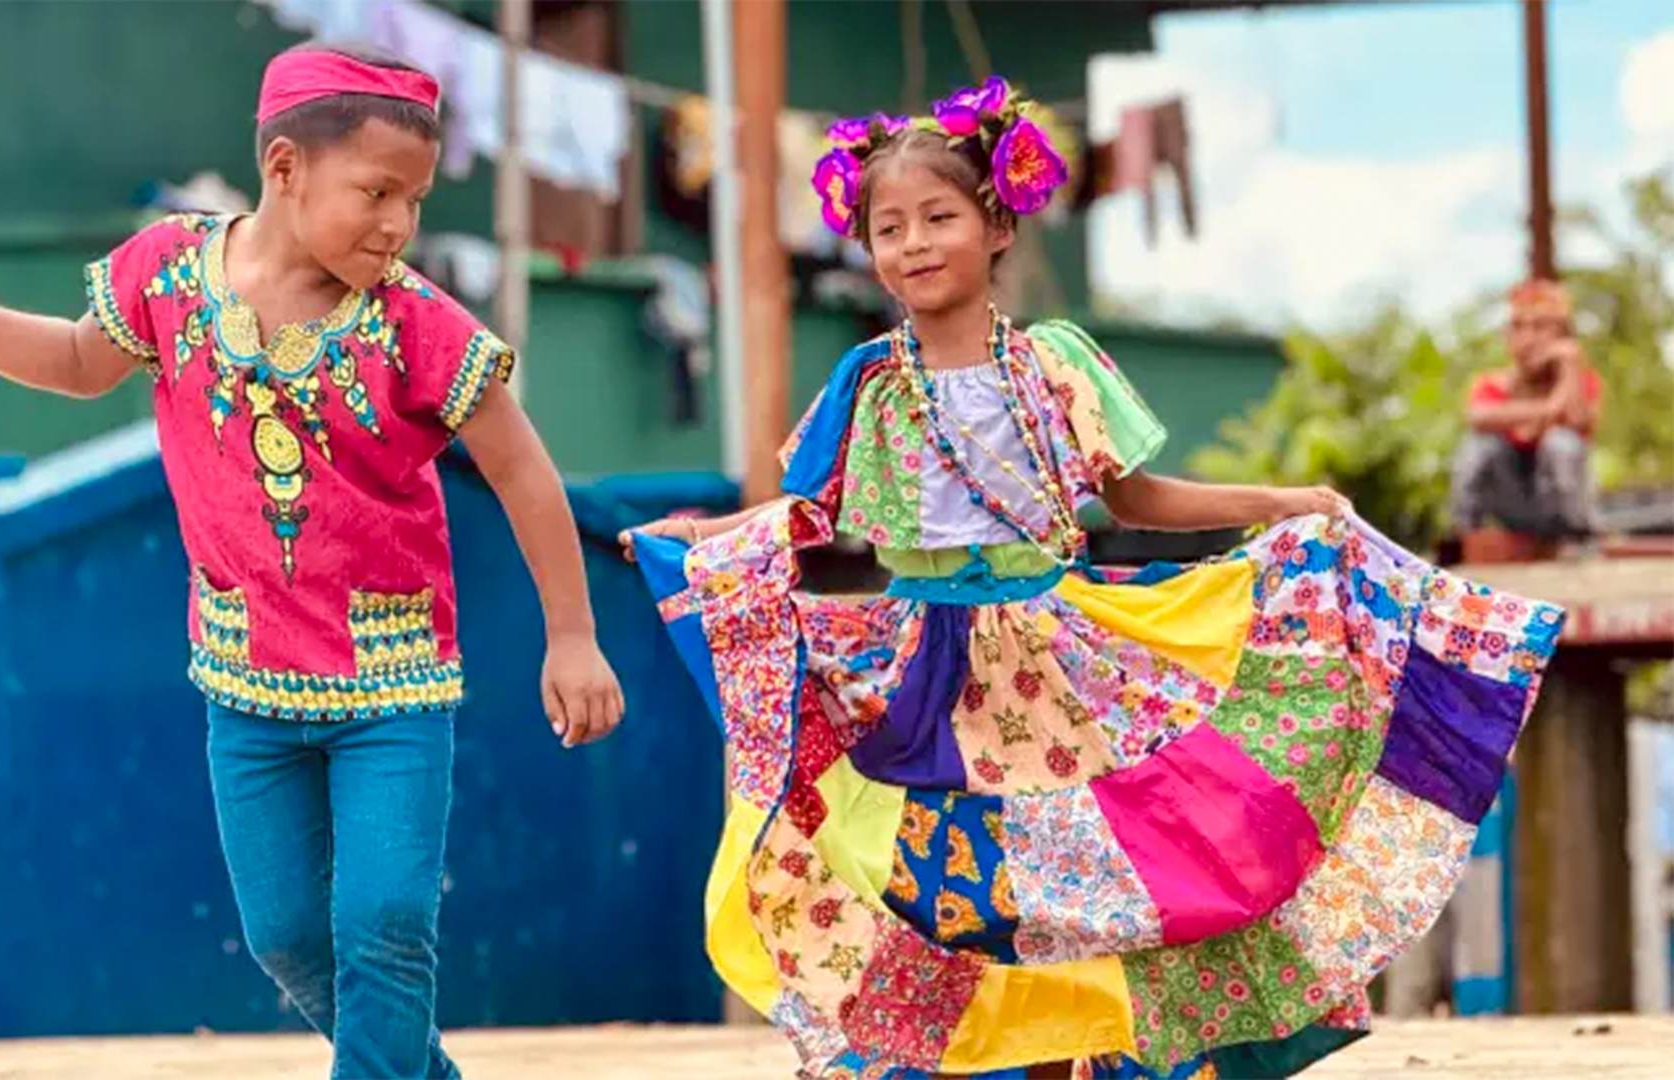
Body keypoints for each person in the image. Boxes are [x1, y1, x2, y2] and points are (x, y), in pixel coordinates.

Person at [621, 77, 1562, 1080]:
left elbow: (1136, 498)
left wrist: (1279, 503)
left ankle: (1090, 1059)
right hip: (925, 670)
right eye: (889, 227)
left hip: (1060, 657)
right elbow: (805, 516)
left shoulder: (1055, 365)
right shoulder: (867, 382)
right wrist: (701, 535)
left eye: (939, 216)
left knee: (1106, 876)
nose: (914, 242)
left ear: (996, 224)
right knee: (950, 880)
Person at [0, 43, 624, 1080]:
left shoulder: (417, 326)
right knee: (285, 938)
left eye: (415, 199)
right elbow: (83, 362)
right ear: (282, 168)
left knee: (387, 920)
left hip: (393, 684)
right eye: (377, 192)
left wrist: (572, 635)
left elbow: (524, 471)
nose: (401, 225)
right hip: (243, 681)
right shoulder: (168, 273)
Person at [1450, 278, 1601, 543]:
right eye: (1518, 327)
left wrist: (1570, 365)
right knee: (1479, 446)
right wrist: (1551, 408)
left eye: (1541, 326)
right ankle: (1464, 536)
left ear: (1562, 335)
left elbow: (1578, 421)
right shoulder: (1492, 384)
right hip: (1514, 505)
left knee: (1562, 443)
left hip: (1559, 509)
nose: (1528, 337)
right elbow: (1478, 418)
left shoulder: (1581, 381)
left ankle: (1577, 538)